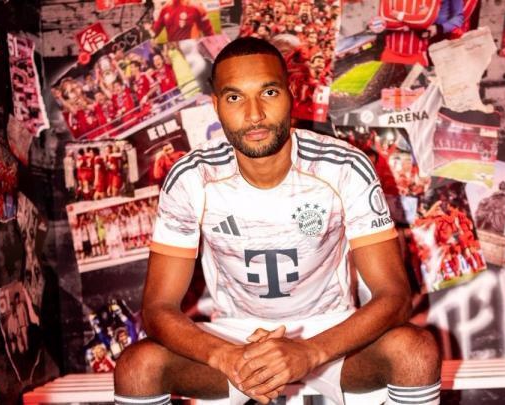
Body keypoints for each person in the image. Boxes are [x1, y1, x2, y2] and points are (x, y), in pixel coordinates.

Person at [114, 38, 441, 405]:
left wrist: (310, 352)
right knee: (137, 365)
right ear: (216, 106)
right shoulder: (192, 177)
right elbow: (158, 308)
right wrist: (225, 356)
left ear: (291, 94)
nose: (254, 114)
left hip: (329, 331)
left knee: (415, 350)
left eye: (268, 92)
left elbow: (394, 297)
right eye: (235, 97)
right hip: (235, 337)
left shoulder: (343, 166)